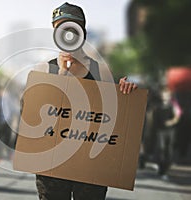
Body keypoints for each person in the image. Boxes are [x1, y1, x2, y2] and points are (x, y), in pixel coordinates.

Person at [35, 3, 138, 200]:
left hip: (90, 167)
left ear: (82, 32)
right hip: (52, 167)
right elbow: (34, 116)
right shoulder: (45, 69)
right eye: (61, 29)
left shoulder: (101, 71)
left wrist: (126, 94)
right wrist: (62, 76)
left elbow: (113, 117)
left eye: (72, 29)